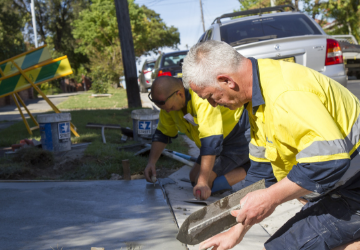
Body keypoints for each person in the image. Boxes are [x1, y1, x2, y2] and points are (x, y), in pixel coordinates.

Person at [182, 40, 360, 250]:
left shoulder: (284, 94)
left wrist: (271, 198)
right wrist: (235, 231)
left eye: (211, 97)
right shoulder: (258, 94)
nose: (213, 104)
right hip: (342, 184)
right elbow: (262, 174)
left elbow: (329, 161)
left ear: (226, 81)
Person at [144, 76, 261, 200]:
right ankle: (232, 170)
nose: (167, 112)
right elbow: (163, 133)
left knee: (209, 184)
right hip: (219, 140)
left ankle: (259, 167)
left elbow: (211, 141)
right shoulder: (169, 104)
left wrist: (204, 182)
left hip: (238, 135)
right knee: (194, 178)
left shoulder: (201, 97)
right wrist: (151, 163)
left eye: (170, 108)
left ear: (179, 94)